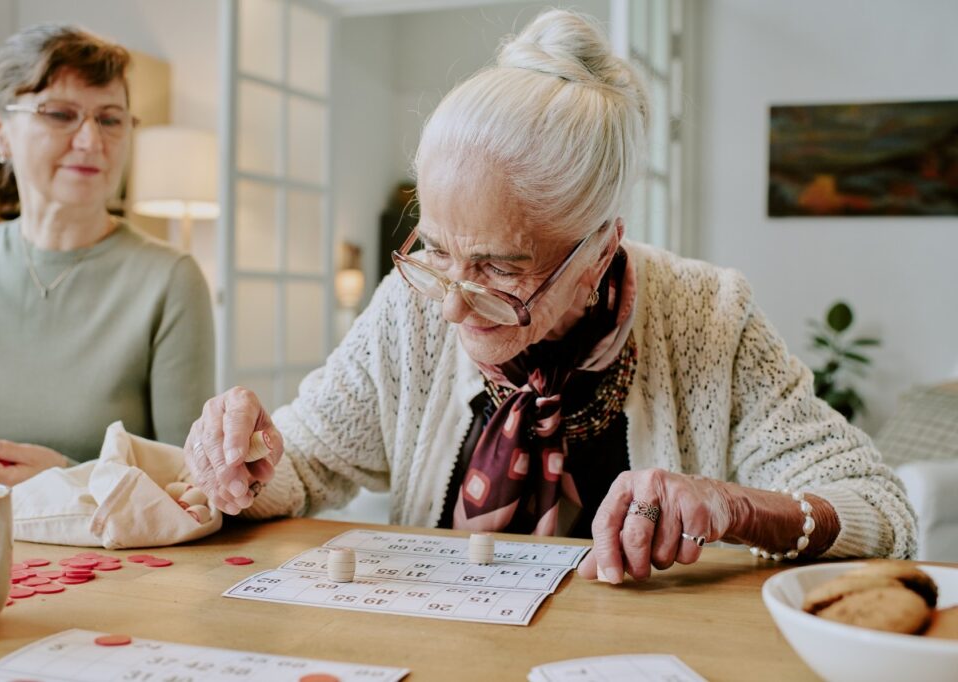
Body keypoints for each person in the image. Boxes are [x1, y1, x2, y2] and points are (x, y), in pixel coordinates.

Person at [183, 9, 915, 583]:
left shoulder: (708, 317)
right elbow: (306, 465)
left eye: (501, 269)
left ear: (600, 249)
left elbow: (883, 513)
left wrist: (735, 506)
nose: (452, 307)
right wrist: (250, 459)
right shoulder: (412, 307)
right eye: (435, 249)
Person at [0, 24, 215, 484]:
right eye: (60, 114)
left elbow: (191, 487)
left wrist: (68, 478)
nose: (90, 141)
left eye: (110, 119)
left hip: (111, 553)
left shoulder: (170, 280)